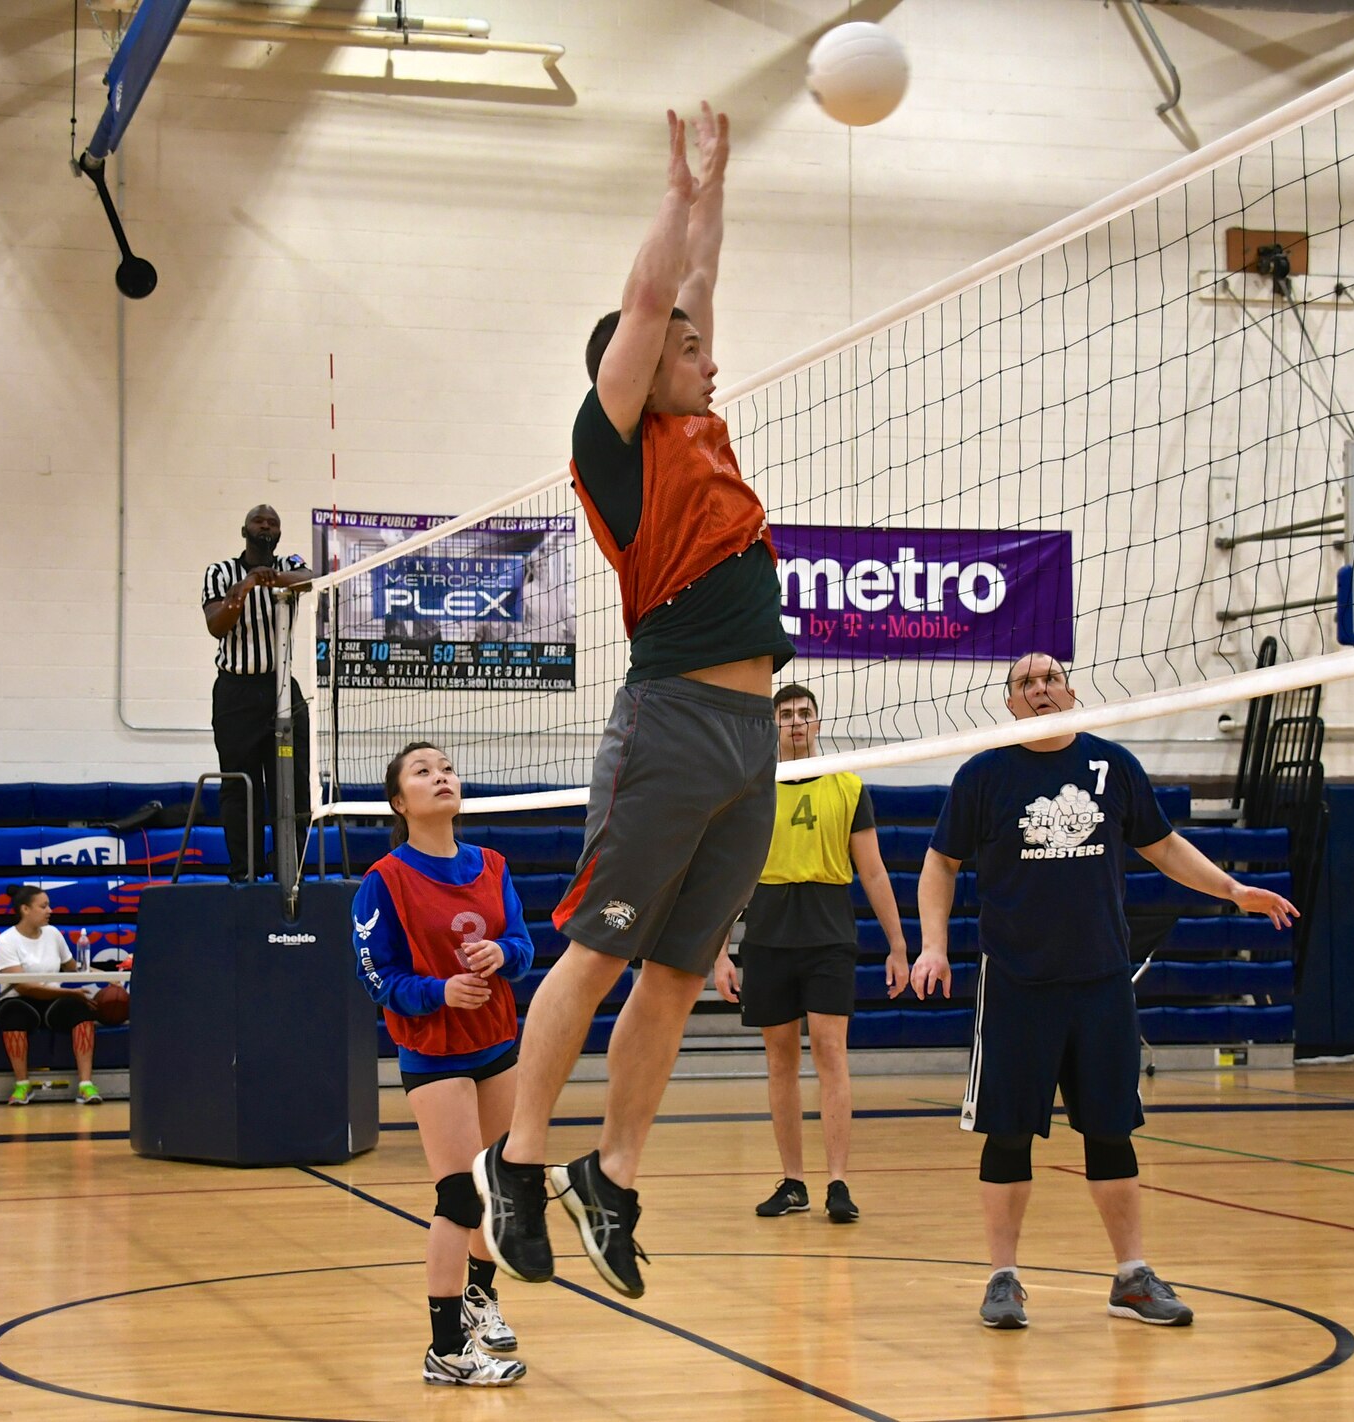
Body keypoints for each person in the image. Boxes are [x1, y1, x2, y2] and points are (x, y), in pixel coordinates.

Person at [476, 100, 795, 1300]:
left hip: (748, 739)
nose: (709, 350)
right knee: (599, 955)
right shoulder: (611, 443)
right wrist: (670, 199)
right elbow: (661, 290)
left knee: (674, 975)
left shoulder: (700, 423)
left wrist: (712, 185)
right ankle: (521, 1160)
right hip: (669, 723)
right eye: (684, 339)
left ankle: (610, 1174)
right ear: (640, 354)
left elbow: (694, 281)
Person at [910, 654, 1297, 1331]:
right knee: (1007, 1137)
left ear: (1073, 691)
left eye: (1050, 678)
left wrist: (1233, 889)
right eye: (1025, 683)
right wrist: (934, 944)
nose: (1040, 689)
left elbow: (1165, 846)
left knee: (1112, 1132)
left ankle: (1131, 1277)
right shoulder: (983, 775)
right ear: (1009, 703)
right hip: (1016, 986)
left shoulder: (1112, 766)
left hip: (1101, 982)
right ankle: (1003, 1279)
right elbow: (939, 863)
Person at [355, 742, 534, 1388]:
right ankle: (443, 1349)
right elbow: (377, 977)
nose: (441, 777)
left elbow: (523, 945)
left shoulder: (491, 864)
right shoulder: (385, 880)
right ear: (400, 802)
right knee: (458, 1194)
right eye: (423, 772)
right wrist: (440, 992)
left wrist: (500, 956)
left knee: (498, 1187)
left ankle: (480, 1302)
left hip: (496, 1041)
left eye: (447, 768)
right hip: (434, 1051)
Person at [713, 683, 909, 1223]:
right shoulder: (752, 789)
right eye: (786, 715)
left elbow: (871, 870)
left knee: (830, 1052)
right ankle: (794, 1181)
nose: (796, 722)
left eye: (804, 714)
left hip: (827, 930)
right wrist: (720, 952)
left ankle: (839, 1182)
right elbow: (734, 878)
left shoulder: (848, 785)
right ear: (772, 725)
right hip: (769, 932)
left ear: (818, 724)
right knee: (780, 1061)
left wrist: (897, 944)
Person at [202, 503, 314, 882]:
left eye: (273, 522)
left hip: (282, 687)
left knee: (294, 783)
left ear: (278, 533)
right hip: (237, 692)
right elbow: (217, 626)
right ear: (244, 529)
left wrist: (272, 578)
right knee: (240, 786)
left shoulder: (289, 563)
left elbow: (309, 575)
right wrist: (247, 586)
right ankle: (244, 872)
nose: (265, 525)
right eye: (258, 521)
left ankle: (289, 868)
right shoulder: (220, 572)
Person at [0, 886, 102, 1105]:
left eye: (49, 905)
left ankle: (86, 1085)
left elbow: (74, 968)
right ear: (25, 909)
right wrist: (70, 992)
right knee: (13, 1015)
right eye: (43, 906)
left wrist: (110, 976)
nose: (49, 910)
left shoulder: (53, 934)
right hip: (19, 1000)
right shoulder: (5, 941)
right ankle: (22, 1086)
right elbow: (25, 987)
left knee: (80, 1011)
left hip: (52, 1001)